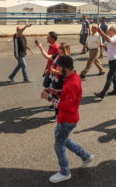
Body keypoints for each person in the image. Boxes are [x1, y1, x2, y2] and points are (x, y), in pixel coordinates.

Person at [40, 55, 93, 183]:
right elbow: (66, 94)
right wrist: (55, 91)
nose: (57, 69)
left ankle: (65, 172)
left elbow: (67, 106)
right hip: (69, 119)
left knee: (59, 145)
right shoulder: (72, 77)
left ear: (65, 68)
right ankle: (86, 156)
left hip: (67, 119)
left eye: (59, 67)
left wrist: (49, 98)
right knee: (64, 139)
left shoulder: (72, 83)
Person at [94, 26, 116, 99]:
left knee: (109, 77)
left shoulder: (115, 37)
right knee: (114, 77)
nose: (109, 31)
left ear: (115, 32)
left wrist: (101, 32)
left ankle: (102, 93)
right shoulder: (110, 38)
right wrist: (103, 47)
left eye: (111, 30)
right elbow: (108, 47)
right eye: (109, 30)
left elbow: (108, 40)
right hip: (111, 60)